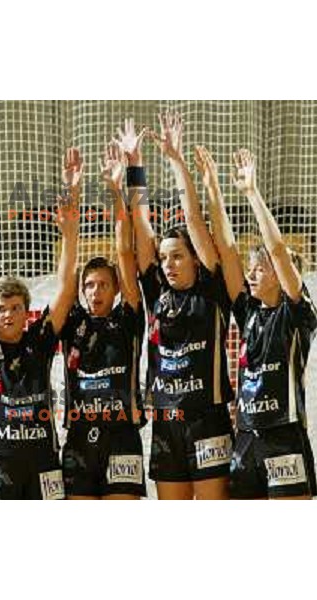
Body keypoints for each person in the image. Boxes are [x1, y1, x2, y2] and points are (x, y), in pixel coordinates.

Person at [195, 146, 317, 499]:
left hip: (285, 436)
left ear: (280, 276)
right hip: (246, 438)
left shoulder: (297, 313)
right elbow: (228, 251)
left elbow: (278, 251)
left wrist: (252, 193)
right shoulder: (248, 310)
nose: (251, 272)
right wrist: (214, 190)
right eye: (254, 267)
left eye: (260, 268)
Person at [0, 148, 80, 500]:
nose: (9, 314)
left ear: (27, 312)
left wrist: (71, 229)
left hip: (44, 459)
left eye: (16, 307)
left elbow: (66, 288)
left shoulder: (38, 341)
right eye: (1, 308)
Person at [135, 112, 234, 499]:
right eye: (164, 259)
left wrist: (175, 160)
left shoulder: (212, 289)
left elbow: (193, 219)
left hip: (208, 418)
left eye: (177, 256)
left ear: (195, 258)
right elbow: (141, 227)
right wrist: (135, 168)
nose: (168, 264)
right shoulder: (157, 293)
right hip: (166, 421)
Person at [61, 130, 146, 499]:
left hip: (122, 436)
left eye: (103, 285)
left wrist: (117, 190)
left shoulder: (128, 316)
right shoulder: (72, 321)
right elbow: (68, 258)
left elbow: (125, 251)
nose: (96, 291)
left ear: (115, 290)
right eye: (90, 285)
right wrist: (74, 192)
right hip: (79, 439)